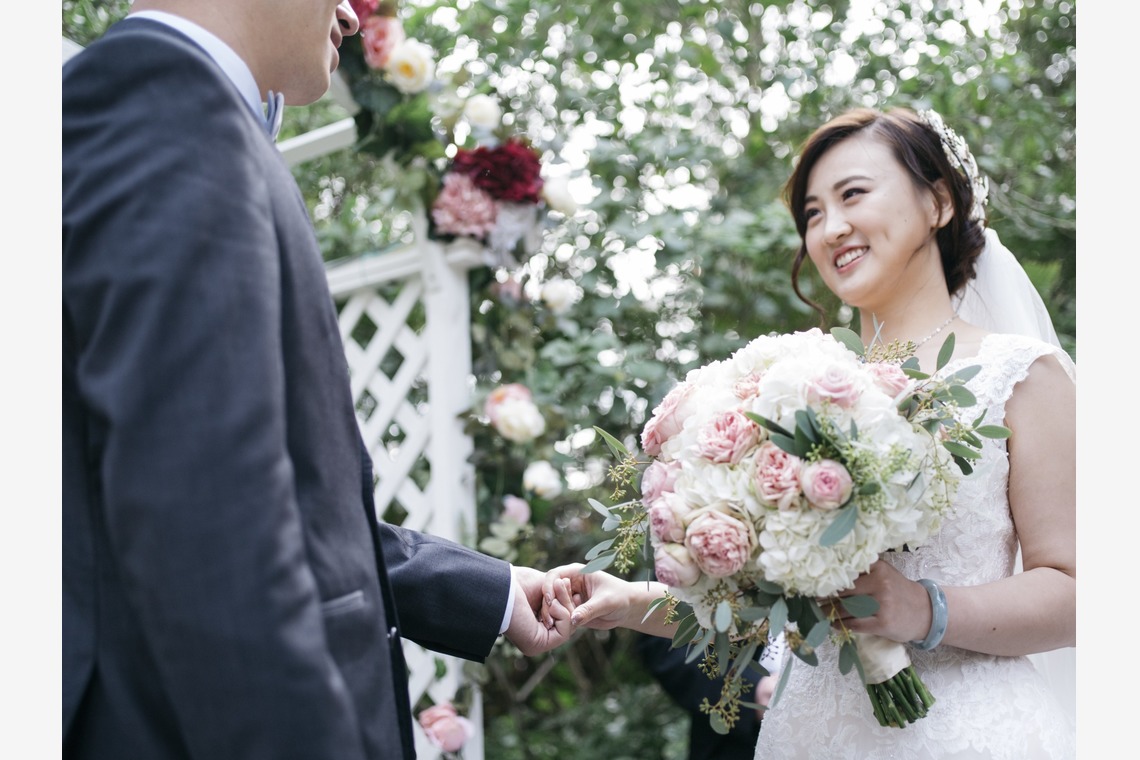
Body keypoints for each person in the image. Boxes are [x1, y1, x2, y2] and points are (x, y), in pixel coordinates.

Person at [63, 3, 572, 759]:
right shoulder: (161, 93)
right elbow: (209, 526)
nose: (349, 12)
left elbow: (292, 511)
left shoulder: (190, 107)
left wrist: (491, 593)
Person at [543, 106, 1076, 759]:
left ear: (938, 202)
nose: (831, 228)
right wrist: (627, 601)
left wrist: (924, 609)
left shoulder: (1019, 376)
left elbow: (1080, 591)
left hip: (969, 732)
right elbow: (771, 600)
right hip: (810, 733)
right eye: (813, 214)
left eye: (852, 194)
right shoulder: (786, 389)